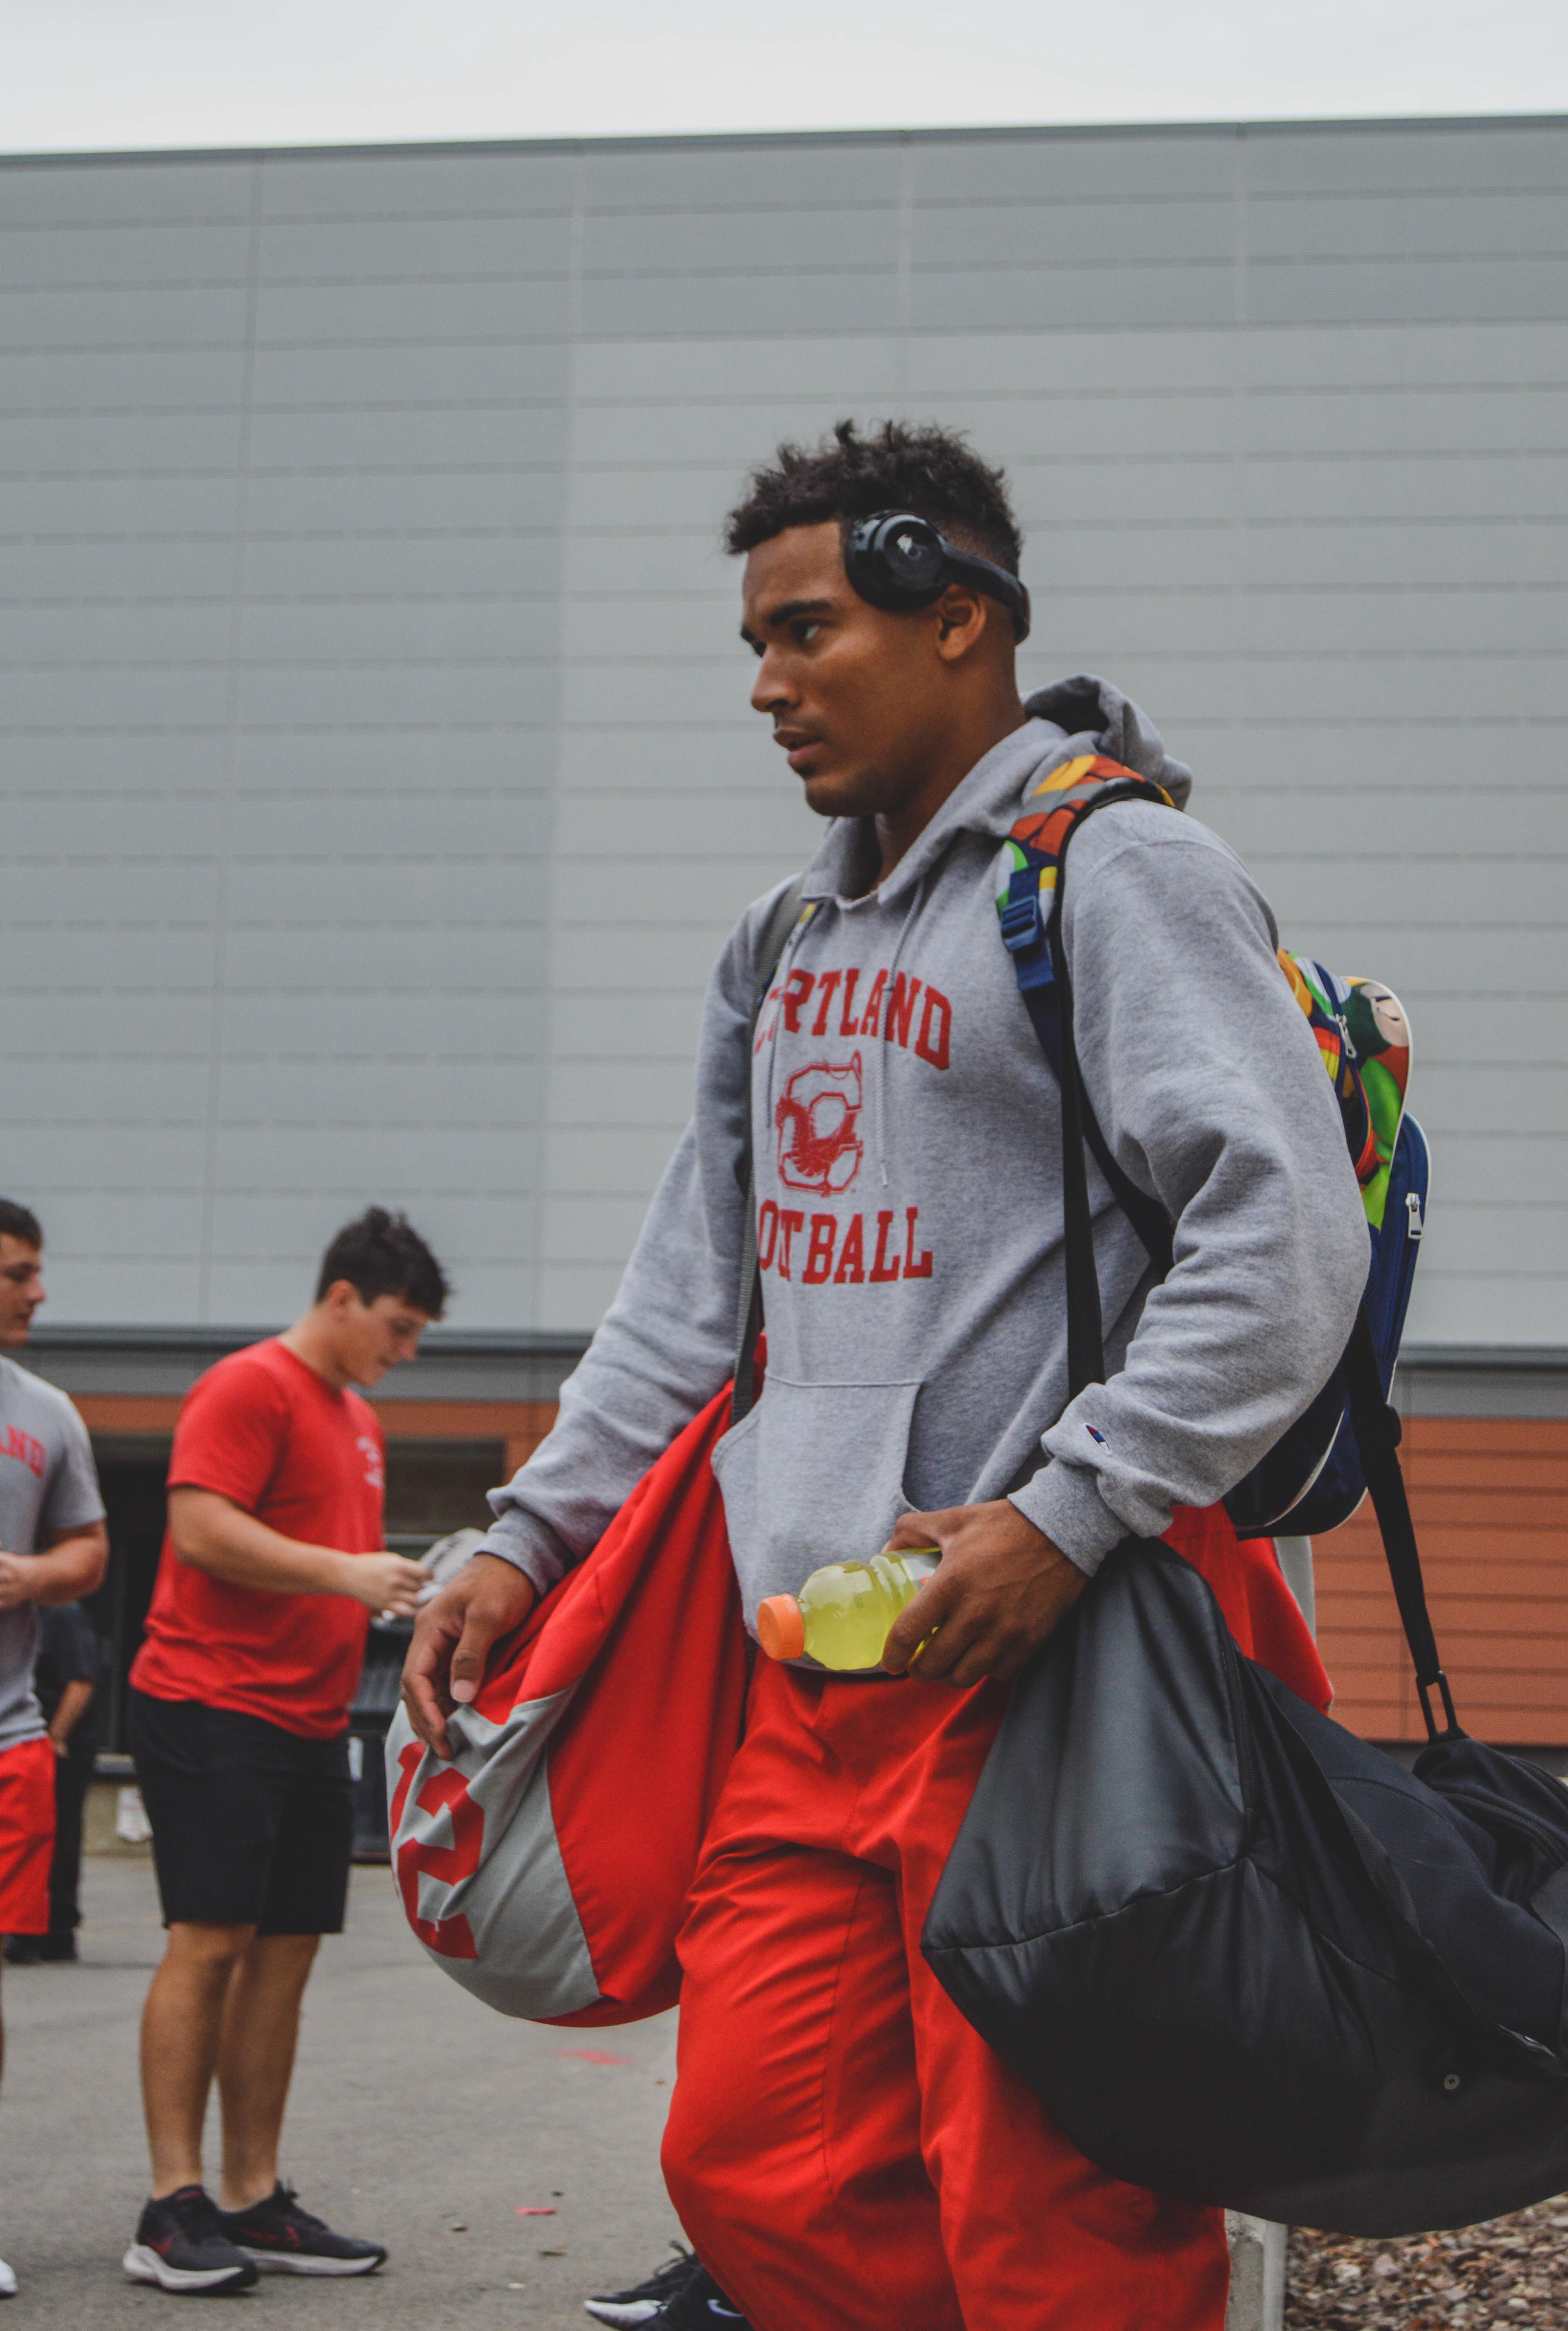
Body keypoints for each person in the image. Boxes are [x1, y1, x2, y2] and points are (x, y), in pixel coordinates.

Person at [403, 421, 1370, 2331]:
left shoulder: (1117, 871)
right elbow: (693, 1298)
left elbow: (1287, 1242)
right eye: (755, 643)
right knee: (753, 2164)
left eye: (809, 630)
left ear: (960, 618)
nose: (769, 685)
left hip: (1060, 1670)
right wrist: (527, 1534)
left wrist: (1066, 1512)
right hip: (817, 1669)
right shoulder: (784, 941)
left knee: (1057, 2222)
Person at [123, 1208, 444, 2295]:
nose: (406, 1351)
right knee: (209, 1938)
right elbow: (201, 1529)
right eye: (398, 1326)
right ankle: (171, 2205)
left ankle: (252, 2195)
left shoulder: (356, 1415)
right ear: (343, 1296)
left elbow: (308, 1554)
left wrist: (385, 1580)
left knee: (288, 1950)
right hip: (210, 1700)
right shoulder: (249, 1384)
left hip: (309, 1719)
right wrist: (348, 1570)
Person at [0, 1200, 110, 2296]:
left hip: (7, 1740)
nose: (38, 1292)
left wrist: (33, 1574)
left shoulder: (47, 1412)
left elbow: (89, 1548)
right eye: (17, 1273)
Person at [2, 1600, 101, 1965]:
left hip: (56, 1743)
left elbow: (82, 1681)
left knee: (55, 1835)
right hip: (24, 1740)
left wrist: (56, 1737)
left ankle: (53, 1931)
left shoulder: (62, 1615)